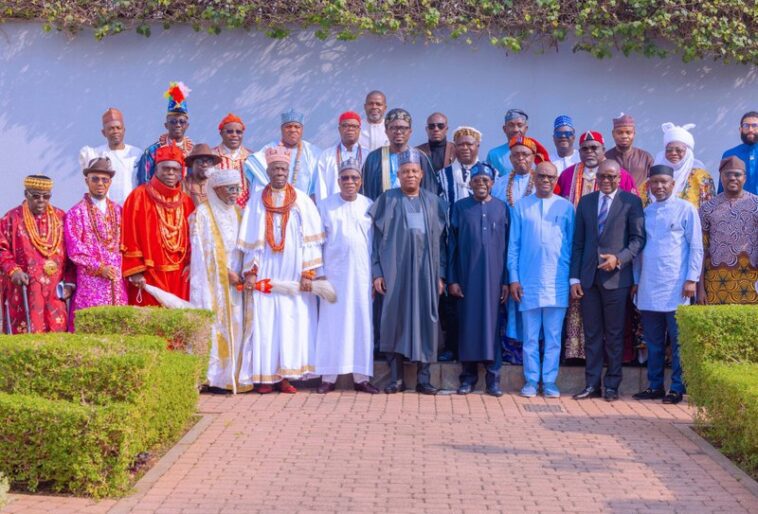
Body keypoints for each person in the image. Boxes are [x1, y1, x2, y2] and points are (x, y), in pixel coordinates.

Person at [237, 147, 325, 394]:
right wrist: (251, 270)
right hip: (266, 270)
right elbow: (252, 240)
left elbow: (311, 241)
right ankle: (266, 378)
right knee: (265, 323)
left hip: (293, 273)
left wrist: (308, 272)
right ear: (267, 172)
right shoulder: (257, 201)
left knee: (290, 322)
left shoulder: (302, 200)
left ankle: (286, 376)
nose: (279, 173)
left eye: (283, 169)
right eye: (275, 169)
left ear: (288, 171)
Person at [368, 149, 447, 395]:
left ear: (421, 174)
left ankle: (424, 379)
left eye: (414, 171)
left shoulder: (434, 202)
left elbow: (443, 243)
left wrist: (441, 274)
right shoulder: (387, 200)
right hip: (395, 273)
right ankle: (396, 379)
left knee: (427, 322)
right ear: (398, 175)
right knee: (395, 321)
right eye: (405, 172)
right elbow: (375, 241)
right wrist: (377, 272)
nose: (410, 175)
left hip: (426, 274)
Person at [556, 131, 638, 361]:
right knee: (588, 325)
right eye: (585, 148)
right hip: (584, 265)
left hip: (615, 274)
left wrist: (620, 259)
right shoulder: (567, 175)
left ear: (603, 150)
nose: (590, 152)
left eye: (594, 148)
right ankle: (578, 358)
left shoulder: (622, 177)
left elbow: (635, 233)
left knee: (614, 329)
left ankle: (613, 371)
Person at [570, 159, 645, 402]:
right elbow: (578, 243)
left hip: (616, 279)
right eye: (602, 176)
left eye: (611, 176)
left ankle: (612, 385)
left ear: (619, 178)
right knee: (592, 335)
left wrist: (619, 259)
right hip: (589, 279)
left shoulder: (631, 202)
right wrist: (575, 278)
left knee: (614, 335)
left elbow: (638, 239)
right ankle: (592, 385)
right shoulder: (586, 202)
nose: (606, 180)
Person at [633, 165, 703, 405]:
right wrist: (636, 281)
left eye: (664, 182)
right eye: (655, 182)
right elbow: (638, 251)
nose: (659, 186)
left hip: (677, 287)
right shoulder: (646, 212)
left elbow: (696, 246)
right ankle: (654, 386)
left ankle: (676, 388)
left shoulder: (686, 209)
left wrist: (691, 279)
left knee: (678, 342)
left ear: (673, 184)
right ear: (649, 185)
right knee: (653, 343)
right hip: (649, 286)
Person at [509, 161, 574, 399]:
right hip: (528, 281)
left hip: (557, 281)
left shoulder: (566, 207)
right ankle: (531, 380)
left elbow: (572, 245)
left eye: (551, 177)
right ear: (534, 177)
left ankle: (549, 381)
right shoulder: (521, 206)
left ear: (556, 180)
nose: (546, 180)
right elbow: (513, 246)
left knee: (554, 337)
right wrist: (514, 279)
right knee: (530, 337)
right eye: (542, 176)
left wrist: (572, 279)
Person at [314, 159, 379, 394]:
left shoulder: (368, 205)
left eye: (354, 178)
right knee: (331, 325)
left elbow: (375, 244)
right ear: (338, 180)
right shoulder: (325, 206)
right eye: (345, 178)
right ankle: (328, 377)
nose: (350, 182)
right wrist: (319, 274)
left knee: (361, 323)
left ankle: (361, 377)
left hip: (362, 276)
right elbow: (316, 243)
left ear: (360, 181)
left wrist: (374, 277)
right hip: (333, 276)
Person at [447, 162, 508, 396]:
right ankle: (468, 378)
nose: (481, 184)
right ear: (470, 184)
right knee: (468, 326)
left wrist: (506, 281)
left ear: (492, 183)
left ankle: (493, 379)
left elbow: (509, 247)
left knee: (492, 327)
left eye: (485, 180)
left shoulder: (501, 208)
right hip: (467, 279)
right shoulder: (460, 207)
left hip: (495, 280)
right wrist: (452, 279)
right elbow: (451, 246)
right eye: (476, 181)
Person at [189, 168, 251, 394]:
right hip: (212, 283)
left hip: (237, 283)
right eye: (230, 189)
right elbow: (202, 252)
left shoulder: (239, 213)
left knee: (237, 325)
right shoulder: (202, 214)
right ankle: (213, 378)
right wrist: (225, 273)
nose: (235, 193)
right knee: (215, 325)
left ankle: (232, 376)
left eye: (237, 188)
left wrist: (244, 272)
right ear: (216, 190)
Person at [491, 135, 549, 364]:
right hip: (504, 248)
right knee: (509, 296)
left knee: (531, 296)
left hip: (533, 251)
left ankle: (536, 349)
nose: (520, 158)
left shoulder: (543, 181)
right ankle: (512, 349)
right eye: (515, 155)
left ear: (534, 157)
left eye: (525, 154)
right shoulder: (499, 183)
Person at [122, 145, 195, 306]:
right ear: (156, 169)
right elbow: (129, 236)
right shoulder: (138, 196)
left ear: (181, 172)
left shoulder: (187, 202)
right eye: (166, 168)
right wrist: (135, 270)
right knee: (149, 319)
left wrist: (192, 263)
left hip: (180, 275)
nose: (171, 173)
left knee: (179, 319)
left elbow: (194, 237)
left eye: (175, 169)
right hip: (148, 275)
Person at [0, 176, 74, 333]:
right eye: (35, 196)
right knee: (25, 338)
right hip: (25, 289)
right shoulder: (11, 218)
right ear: (26, 194)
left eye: (46, 196)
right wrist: (13, 271)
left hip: (55, 291)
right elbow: (2, 250)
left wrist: (69, 283)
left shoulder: (61, 217)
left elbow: (72, 253)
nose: (41, 200)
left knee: (57, 337)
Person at [64, 158, 127, 329]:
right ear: (87, 181)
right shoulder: (76, 213)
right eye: (95, 179)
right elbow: (75, 250)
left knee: (118, 330)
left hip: (116, 284)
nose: (100, 183)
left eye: (104, 179)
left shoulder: (118, 210)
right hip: (90, 284)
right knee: (91, 330)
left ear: (110, 182)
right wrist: (100, 268)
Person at [436, 125, 482, 362]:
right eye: (461, 144)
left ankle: (477, 346)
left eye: (469, 144)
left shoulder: (489, 173)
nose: (465, 148)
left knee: (477, 296)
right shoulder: (442, 175)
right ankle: (452, 346)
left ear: (477, 147)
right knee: (450, 297)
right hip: (450, 242)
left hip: (479, 246)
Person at [698, 156, 758, 305]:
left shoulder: (756, 204)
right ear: (721, 177)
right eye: (727, 174)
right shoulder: (707, 208)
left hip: (751, 283)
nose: (732, 178)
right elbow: (701, 250)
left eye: (737, 174)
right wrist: (700, 288)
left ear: (744, 178)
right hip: (716, 285)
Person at [361, 108, 439, 200]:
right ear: (386, 131)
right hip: (382, 208)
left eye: (403, 128)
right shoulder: (374, 158)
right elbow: (366, 195)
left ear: (410, 131)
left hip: (415, 208)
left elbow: (430, 193)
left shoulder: (421, 157)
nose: (398, 132)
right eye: (393, 128)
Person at [640, 122, 714, 209]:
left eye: (679, 150)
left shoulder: (701, 177)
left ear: (688, 152)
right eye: (669, 150)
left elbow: (710, 209)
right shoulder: (653, 178)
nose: (673, 153)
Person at [249, 109, 322, 195]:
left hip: (306, 201)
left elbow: (319, 183)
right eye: (288, 126)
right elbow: (257, 170)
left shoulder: (313, 152)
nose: (293, 130)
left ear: (302, 129)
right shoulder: (270, 149)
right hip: (275, 199)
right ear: (281, 129)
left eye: (297, 127)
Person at [78, 107, 142, 204]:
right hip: (106, 209)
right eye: (111, 128)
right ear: (104, 132)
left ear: (124, 130)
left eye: (118, 128)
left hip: (132, 207)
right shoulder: (95, 154)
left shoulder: (137, 154)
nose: (115, 131)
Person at [136, 82, 194, 185]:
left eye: (182, 122)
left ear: (187, 125)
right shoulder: (152, 151)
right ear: (166, 125)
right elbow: (144, 183)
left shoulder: (194, 152)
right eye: (173, 121)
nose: (178, 125)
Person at [314, 111, 369, 202]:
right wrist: (323, 206)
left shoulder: (368, 155)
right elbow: (321, 186)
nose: (350, 129)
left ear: (359, 130)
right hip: (332, 207)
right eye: (346, 125)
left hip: (362, 206)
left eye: (354, 126)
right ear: (339, 129)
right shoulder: (327, 155)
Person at [214, 113, 257, 207]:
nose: (234, 135)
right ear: (221, 133)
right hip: (219, 207)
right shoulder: (212, 156)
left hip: (247, 208)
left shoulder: (251, 157)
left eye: (238, 132)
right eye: (230, 131)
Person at [605, 113, 654, 188]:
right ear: (613, 134)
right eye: (620, 132)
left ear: (634, 134)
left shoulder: (645, 157)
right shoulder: (606, 158)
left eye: (628, 132)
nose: (624, 136)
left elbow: (654, 181)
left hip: (639, 196)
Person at [720, 111, 757, 195]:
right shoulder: (729, 155)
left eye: (754, 125)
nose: (750, 130)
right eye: (746, 126)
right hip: (738, 203)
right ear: (740, 129)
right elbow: (722, 189)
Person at [486, 108, 529, 177]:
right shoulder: (494, 155)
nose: (515, 129)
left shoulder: (536, 152)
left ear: (526, 129)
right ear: (504, 129)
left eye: (520, 125)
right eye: (511, 125)